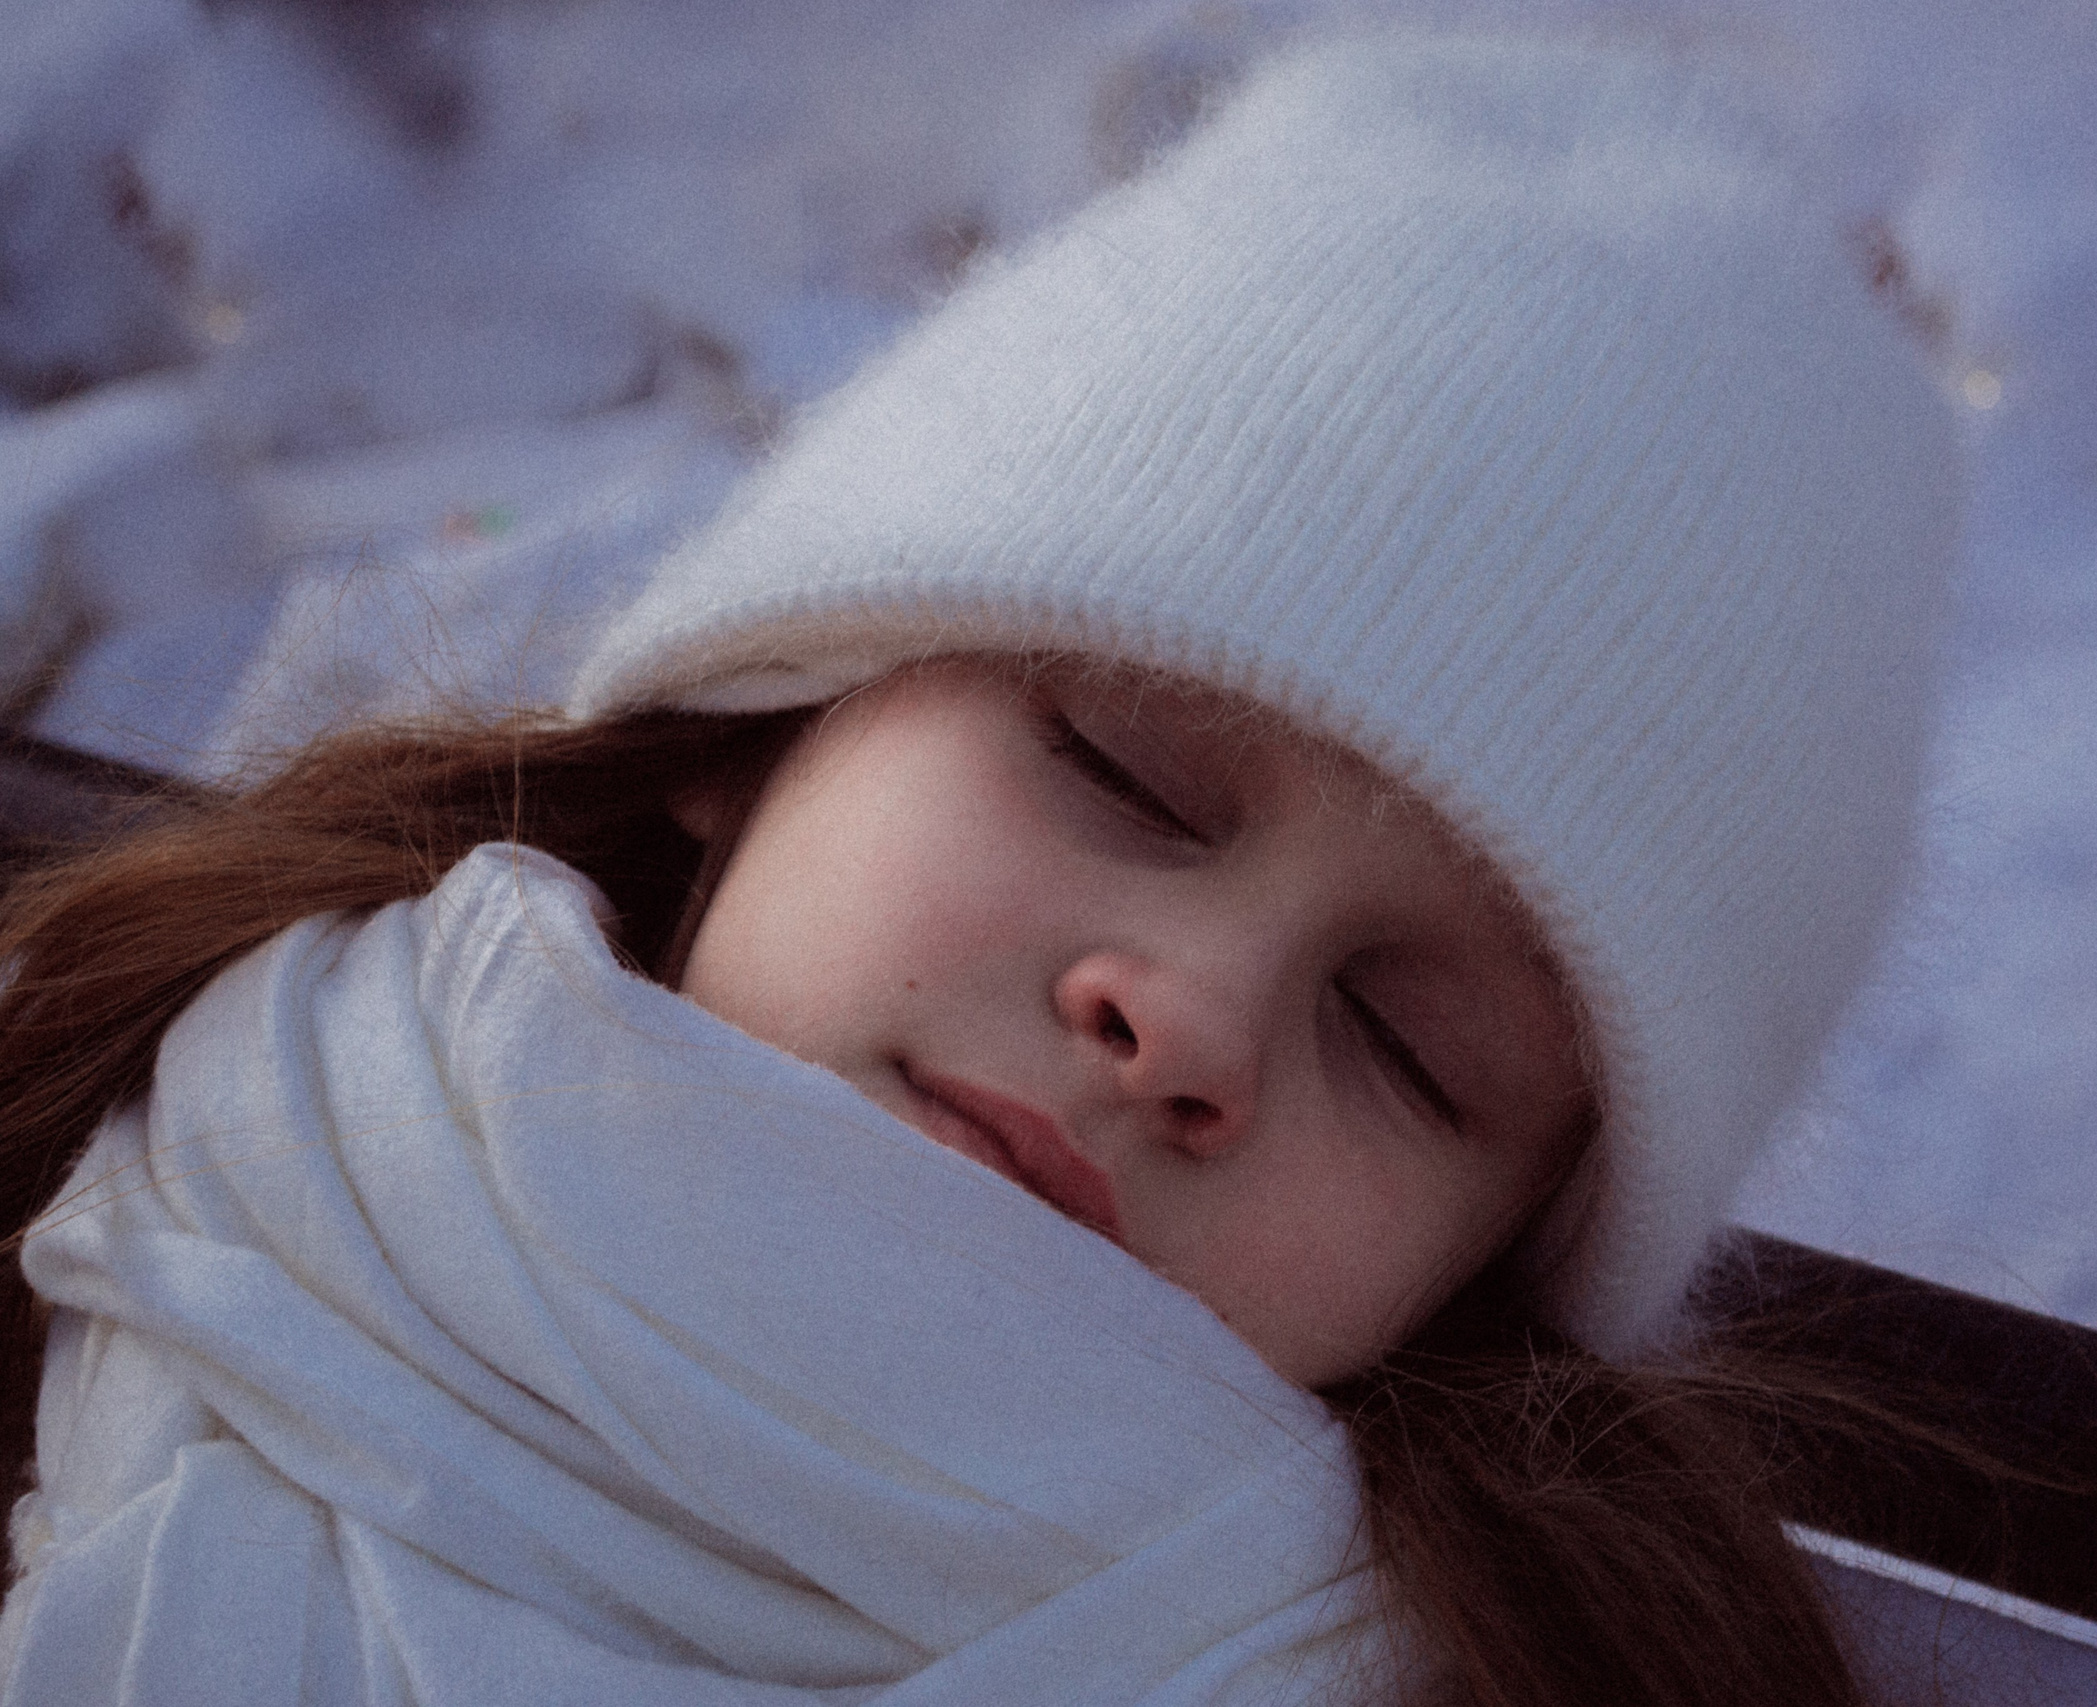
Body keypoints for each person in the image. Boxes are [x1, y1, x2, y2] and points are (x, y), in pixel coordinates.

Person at [0, 28, 1958, 1707]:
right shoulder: (93, 1161)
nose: (1180, 1011)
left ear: (1487, 1264)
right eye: (1122, 768)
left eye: (1412, 1047)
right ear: (775, 713)